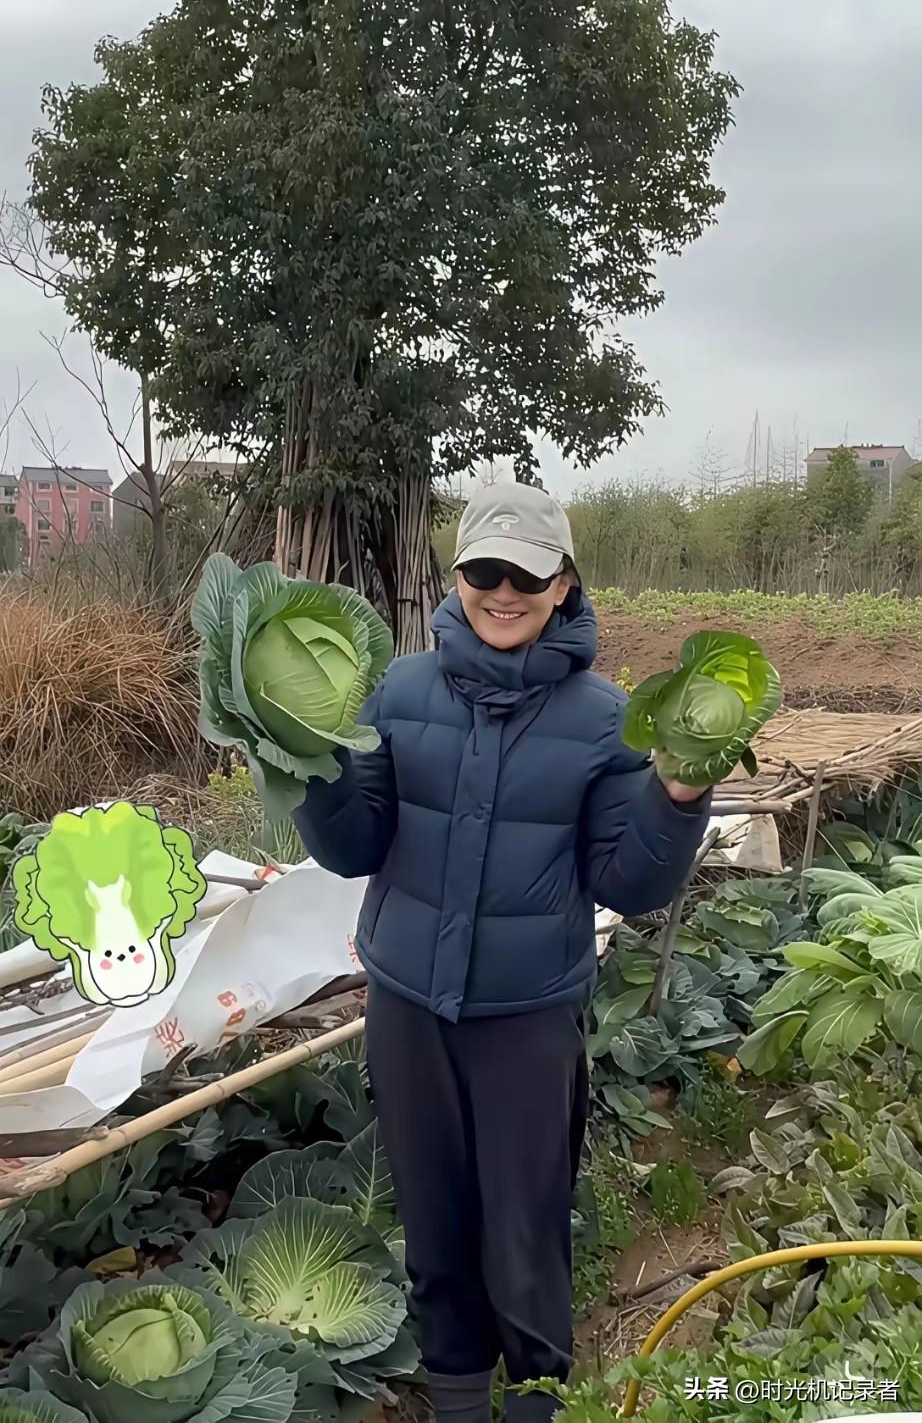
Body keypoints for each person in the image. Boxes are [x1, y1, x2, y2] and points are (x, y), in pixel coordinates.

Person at [293, 483, 714, 1423]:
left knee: (525, 1236)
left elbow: (629, 882)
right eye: (485, 571)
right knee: (434, 1224)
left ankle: (533, 1403)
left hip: (527, 1019)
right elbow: (353, 847)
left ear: (563, 584)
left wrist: (677, 800)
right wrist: (304, 767)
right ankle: (456, 1401)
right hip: (408, 1006)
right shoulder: (398, 693)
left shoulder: (606, 719)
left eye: (527, 575)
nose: (505, 593)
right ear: (458, 578)